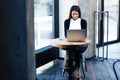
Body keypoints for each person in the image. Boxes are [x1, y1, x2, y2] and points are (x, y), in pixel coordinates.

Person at [64, 5, 87, 79]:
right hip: (71, 43)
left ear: (79, 13)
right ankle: (76, 69)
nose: (75, 16)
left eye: (76, 14)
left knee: (75, 50)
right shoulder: (67, 22)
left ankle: (74, 70)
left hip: (81, 44)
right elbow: (66, 34)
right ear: (70, 13)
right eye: (73, 14)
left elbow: (84, 34)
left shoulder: (83, 21)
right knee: (73, 49)